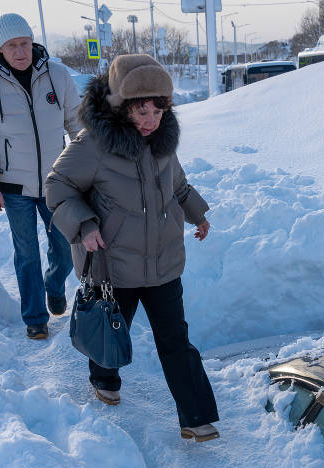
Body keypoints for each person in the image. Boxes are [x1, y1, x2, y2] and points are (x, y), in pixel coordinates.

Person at [45, 54, 220, 442]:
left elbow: (178, 186)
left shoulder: (162, 143)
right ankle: (104, 377)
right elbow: (57, 186)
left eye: (158, 111)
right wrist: (84, 224)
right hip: (113, 264)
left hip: (163, 261)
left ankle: (195, 417)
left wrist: (197, 214)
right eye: (142, 112)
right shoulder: (93, 145)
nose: (151, 121)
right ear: (121, 105)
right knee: (111, 328)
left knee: (175, 340)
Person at [0, 13, 82, 339]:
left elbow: (77, 124)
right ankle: (35, 318)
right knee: (27, 252)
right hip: (13, 186)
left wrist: (88, 169)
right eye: (12, 46)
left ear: (33, 42)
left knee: (65, 247)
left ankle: (54, 285)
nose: (20, 51)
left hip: (57, 182)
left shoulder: (58, 75)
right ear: (0, 49)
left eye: (25, 43)